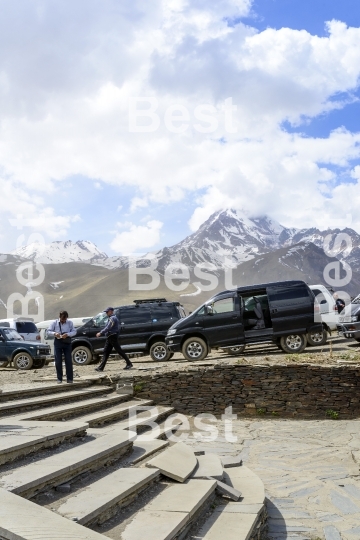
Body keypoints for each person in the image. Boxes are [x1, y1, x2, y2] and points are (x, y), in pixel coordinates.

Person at [95, 307, 133, 371]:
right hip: (110, 337)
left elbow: (108, 327)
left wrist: (100, 332)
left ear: (111, 311)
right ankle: (101, 367)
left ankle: (129, 363)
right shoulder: (111, 318)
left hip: (112, 336)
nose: (106, 313)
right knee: (106, 351)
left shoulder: (113, 318)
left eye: (107, 312)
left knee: (118, 350)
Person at [47, 311, 77, 384]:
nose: (63, 321)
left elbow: (74, 331)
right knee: (58, 361)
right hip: (58, 342)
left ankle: (70, 379)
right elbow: (48, 331)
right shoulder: (54, 323)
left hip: (67, 342)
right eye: (62, 319)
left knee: (68, 361)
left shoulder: (70, 323)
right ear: (59, 317)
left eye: (64, 320)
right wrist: (55, 333)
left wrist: (67, 334)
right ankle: (59, 378)